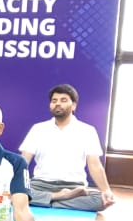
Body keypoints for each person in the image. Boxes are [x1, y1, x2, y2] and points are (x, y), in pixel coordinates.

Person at [19, 83, 115, 211]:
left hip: (74, 187)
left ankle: (44, 201)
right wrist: (15, 184)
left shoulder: (87, 131)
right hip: (40, 185)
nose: (57, 104)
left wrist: (106, 190)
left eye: (63, 100)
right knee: (15, 193)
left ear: (73, 105)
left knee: (100, 200)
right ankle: (58, 197)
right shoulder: (38, 129)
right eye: (54, 101)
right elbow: (23, 161)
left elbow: (95, 165)